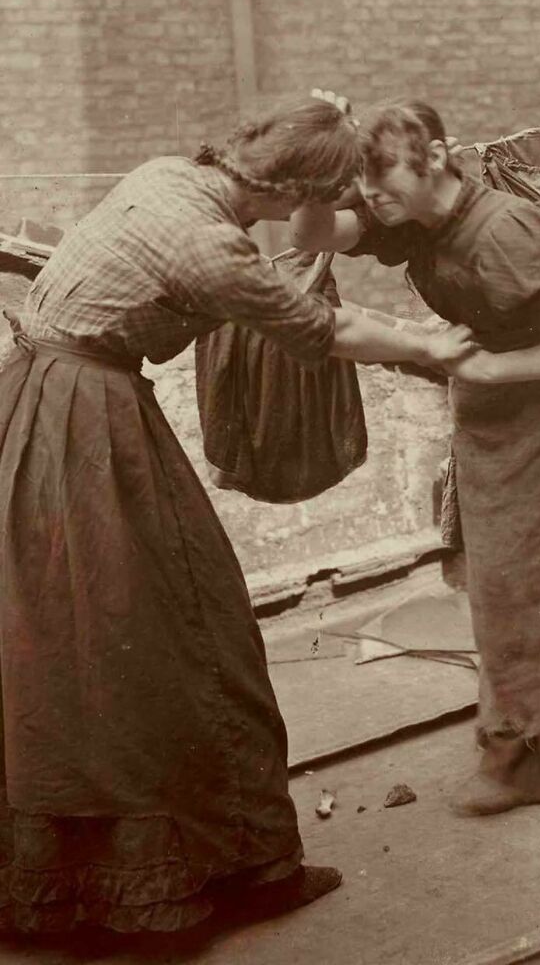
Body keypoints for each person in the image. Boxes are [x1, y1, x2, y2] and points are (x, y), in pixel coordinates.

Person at [0, 97, 472, 934]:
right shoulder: (209, 246)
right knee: (196, 633)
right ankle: (243, 873)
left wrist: (325, 129)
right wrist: (433, 346)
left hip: (30, 403)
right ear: (295, 191)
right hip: (85, 420)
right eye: (329, 193)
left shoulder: (166, 177)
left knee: (65, 642)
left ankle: (72, 879)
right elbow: (318, 328)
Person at [291, 96, 540, 815]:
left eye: (383, 178)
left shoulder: (505, 229)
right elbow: (314, 230)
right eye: (364, 183)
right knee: (511, 585)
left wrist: (474, 368)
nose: (372, 196)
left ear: (436, 158)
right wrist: (314, 166)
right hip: (502, 419)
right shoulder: (408, 216)